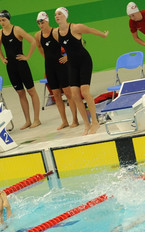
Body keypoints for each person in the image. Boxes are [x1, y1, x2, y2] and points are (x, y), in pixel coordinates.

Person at [54, 6, 109, 135]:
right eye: (56, 14)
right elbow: (66, 46)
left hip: (84, 61)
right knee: (74, 94)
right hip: (72, 64)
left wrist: (103, 35)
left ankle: (95, 122)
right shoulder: (56, 33)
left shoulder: (75, 27)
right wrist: (68, 56)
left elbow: (90, 30)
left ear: (65, 16)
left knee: (84, 91)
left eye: (60, 14)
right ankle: (87, 124)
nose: (57, 16)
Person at [0, 10, 41, 129]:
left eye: (3, 20)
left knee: (31, 91)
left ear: (9, 19)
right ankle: (27, 121)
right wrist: (2, 59)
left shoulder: (17, 30)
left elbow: (32, 41)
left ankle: (37, 119)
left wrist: (27, 57)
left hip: (22, 65)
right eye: (0, 21)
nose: (2, 23)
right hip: (11, 67)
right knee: (20, 93)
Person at [34, 11, 80, 129]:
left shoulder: (55, 32)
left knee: (68, 93)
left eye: (42, 22)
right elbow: (39, 46)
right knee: (56, 94)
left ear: (47, 21)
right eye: (38, 23)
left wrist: (67, 56)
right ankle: (64, 121)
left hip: (61, 66)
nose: (40, 25)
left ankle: (75, 120)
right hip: (49, 67)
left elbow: (70, 43)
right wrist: (46, 58)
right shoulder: (38, 35)